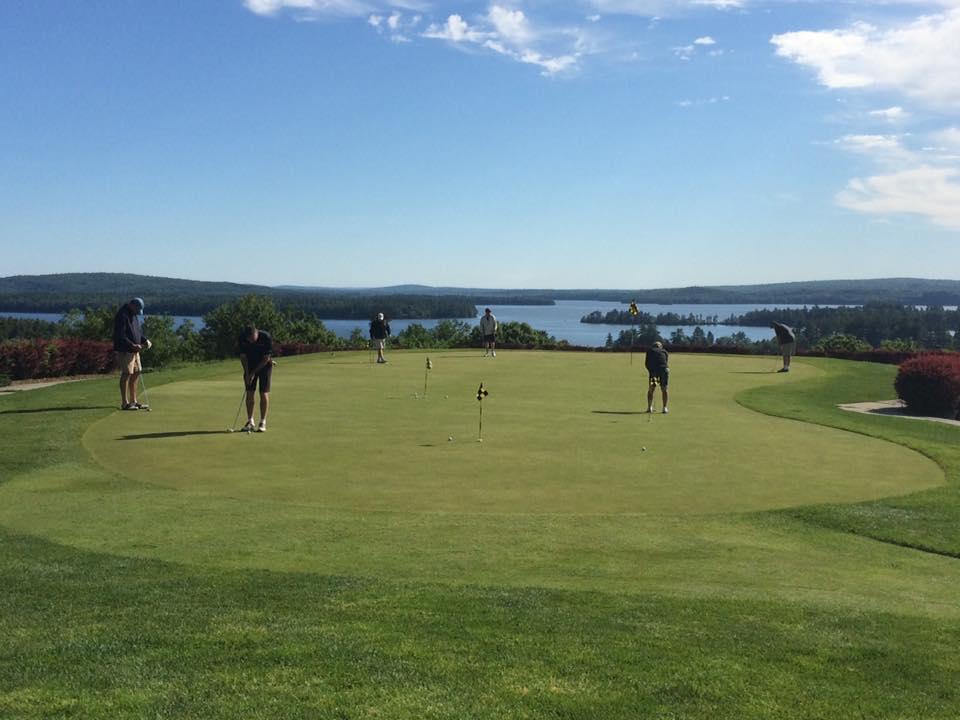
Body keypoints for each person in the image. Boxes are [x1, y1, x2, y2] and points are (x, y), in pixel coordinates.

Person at [112, 297, 150, 410]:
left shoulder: (133, 314)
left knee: (136, 372)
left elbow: (136, 332)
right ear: (132, 305)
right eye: (137, 310)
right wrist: (132, 345)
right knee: (127, 374)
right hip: (125, 350)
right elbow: (120, 335)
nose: (137, 313)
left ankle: (134, 401)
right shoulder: (122, 315)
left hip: (134, 350)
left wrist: (144, 340)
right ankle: (125, 403)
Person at [238, 324, 273, 432]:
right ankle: (250, 421)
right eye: (249, 340)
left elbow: (266, 358)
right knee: (249, 393)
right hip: (250, 366)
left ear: (256, 333)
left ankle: (262, 422)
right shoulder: (242, 338)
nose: (251, 341)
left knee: (263, 393)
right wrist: (247, 373)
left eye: (253, 339)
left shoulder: (266, 337)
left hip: (264, 366)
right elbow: (243, 357)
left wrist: (253, 373)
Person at [645, 340, 669, 414]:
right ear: (660, 346)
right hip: (664, 371)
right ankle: (664, 408)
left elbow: (647, 363)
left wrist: (651, 371)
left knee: (652, 388)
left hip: (654, 372)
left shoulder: (650, 351)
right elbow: (666, 362)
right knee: (664, 388)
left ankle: (649, 407)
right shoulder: (665, 351)